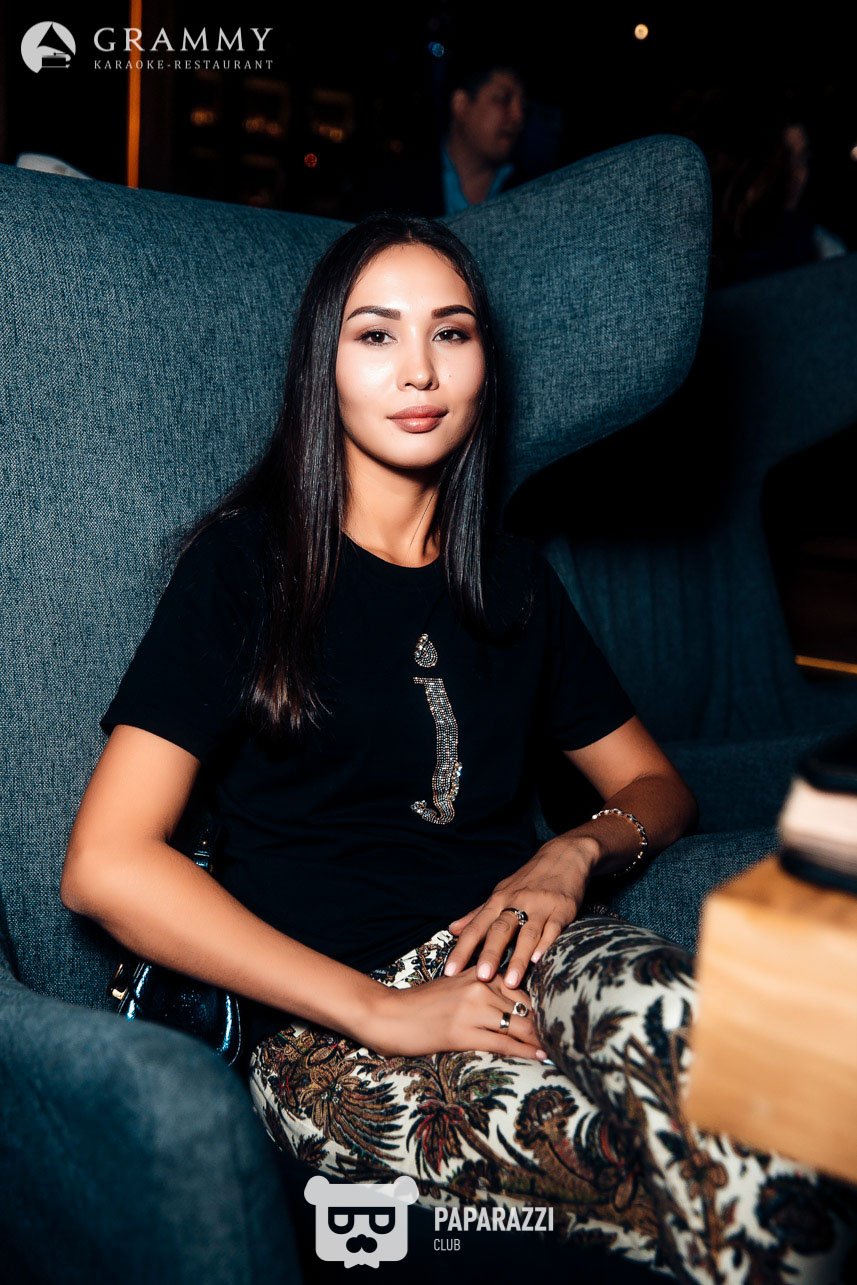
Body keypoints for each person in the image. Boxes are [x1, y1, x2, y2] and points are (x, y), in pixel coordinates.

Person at [60, 213, 856, 1282]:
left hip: (528, 959)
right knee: (650, 1173)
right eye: (375, 334)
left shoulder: (511, 579)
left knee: (781, 1109)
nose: (419, 369)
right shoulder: (246, 567)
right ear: (322, 368)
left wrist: (570, 853)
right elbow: (106, 864)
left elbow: (653, 783)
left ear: (485, 363)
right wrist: (382, 1009)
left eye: (451, 331)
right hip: (323, 1030)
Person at [343, 56, 531, 220]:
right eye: (503, 99)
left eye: (522, 105)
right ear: (461, 104)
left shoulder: (527, 191)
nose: (518, 115)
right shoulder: (393, 184)